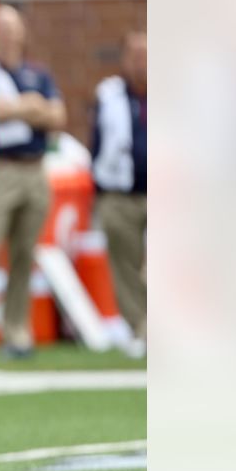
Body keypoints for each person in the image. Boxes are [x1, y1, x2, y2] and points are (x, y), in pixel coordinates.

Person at [0, 5, 66, 357]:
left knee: (24, 254)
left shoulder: (38, 72)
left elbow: (57, 116)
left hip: (35, 167)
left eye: (12, 28)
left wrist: (21, 109)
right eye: (1, 28)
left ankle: (16, 329)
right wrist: (28, 107)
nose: (8, 34)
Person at [87, 31, 146, 356]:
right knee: (126, 264)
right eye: (135, 55)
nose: (142, 62)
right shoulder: (109, 94)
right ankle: (140, 328)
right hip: (120, 193)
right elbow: (95, 143)